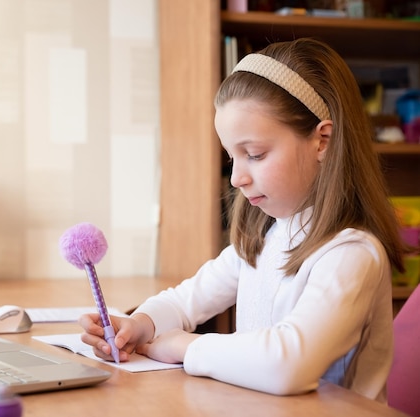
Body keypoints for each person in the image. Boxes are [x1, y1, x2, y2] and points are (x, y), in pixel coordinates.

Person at [79, 38, 407, 402]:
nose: (236, 178)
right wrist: (140, 325)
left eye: (254, 154)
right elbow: (187, 299)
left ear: (322, 141)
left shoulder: (351, 255)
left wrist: (186, 347)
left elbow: (289, 366)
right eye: (232, 158)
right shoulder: (265, 236)